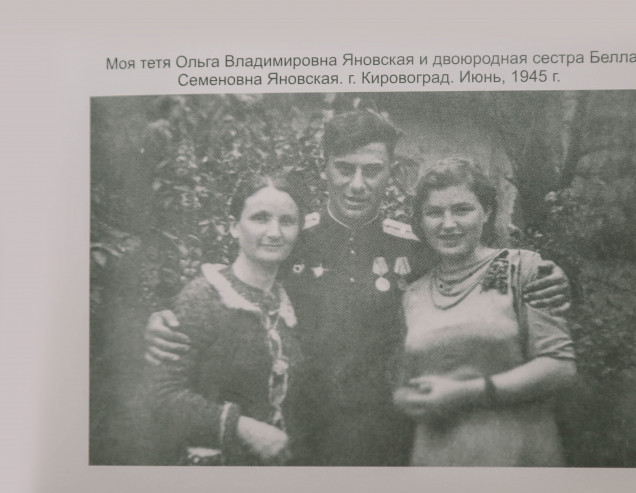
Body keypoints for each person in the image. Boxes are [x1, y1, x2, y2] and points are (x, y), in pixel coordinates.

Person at [145, 110, 572, 466]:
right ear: (325, 168)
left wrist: (554, 279)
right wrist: (164, 318)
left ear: (390, 172)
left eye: (372, 170)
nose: (357, 184)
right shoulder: (292, 238)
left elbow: (474, 273)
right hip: (301, 435)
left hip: (393, 436)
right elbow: (234, 286)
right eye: (345, 168)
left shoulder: (416, 246)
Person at [393, 158, 577, 466]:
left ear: (487, 211)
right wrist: (408, 399)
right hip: (436, 459)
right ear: (421, 221)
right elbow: (404, 384)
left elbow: (560, 367)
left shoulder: (524, 268)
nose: (448, 224)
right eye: (434, 213)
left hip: (515, 458)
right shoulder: (413, 293)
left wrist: (465, 393)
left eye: (462, 209)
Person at [147, 174, 304, 465]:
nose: (275, 232)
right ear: (233, 226)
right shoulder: (204, 296)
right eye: (260, 218)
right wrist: (240, 427)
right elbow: (162, 396)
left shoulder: (291, 302)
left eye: (287, 221)